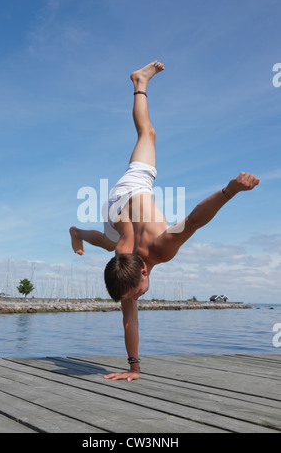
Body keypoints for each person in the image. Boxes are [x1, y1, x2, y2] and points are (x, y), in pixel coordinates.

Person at [70, 61, 260, 381]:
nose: (136, 297)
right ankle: (77, 231)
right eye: (133, 296)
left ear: (143, 270)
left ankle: (139, 81)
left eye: (135, 293)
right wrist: (133, 368)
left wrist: (231, 190)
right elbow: (129, 320)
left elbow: (194, 220)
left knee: (148, 133)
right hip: (114, 213)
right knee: (109, 242)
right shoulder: (124, 272)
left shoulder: (160, 249)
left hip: (129, 194)